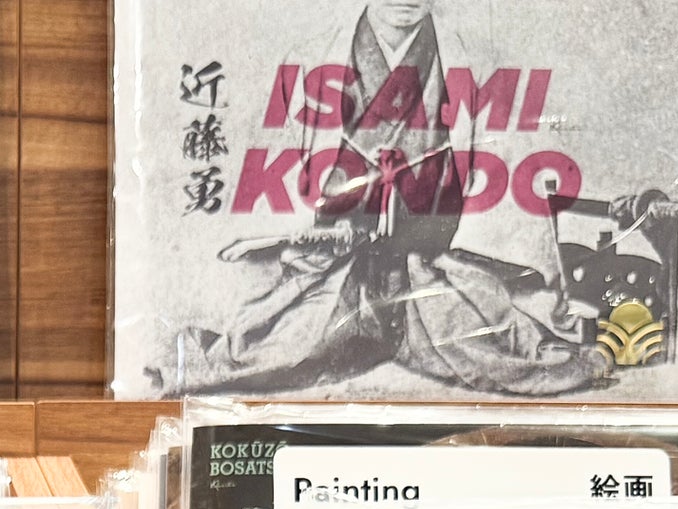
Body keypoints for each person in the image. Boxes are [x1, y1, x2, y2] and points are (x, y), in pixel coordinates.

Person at [166, 0, 609, 394]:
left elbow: (504, 186)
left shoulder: (473, 62)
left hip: (429, 265)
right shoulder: (313, 56)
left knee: (494, 356)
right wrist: (317, 226)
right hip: (339, 267)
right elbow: (278, 176)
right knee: (277, 354)